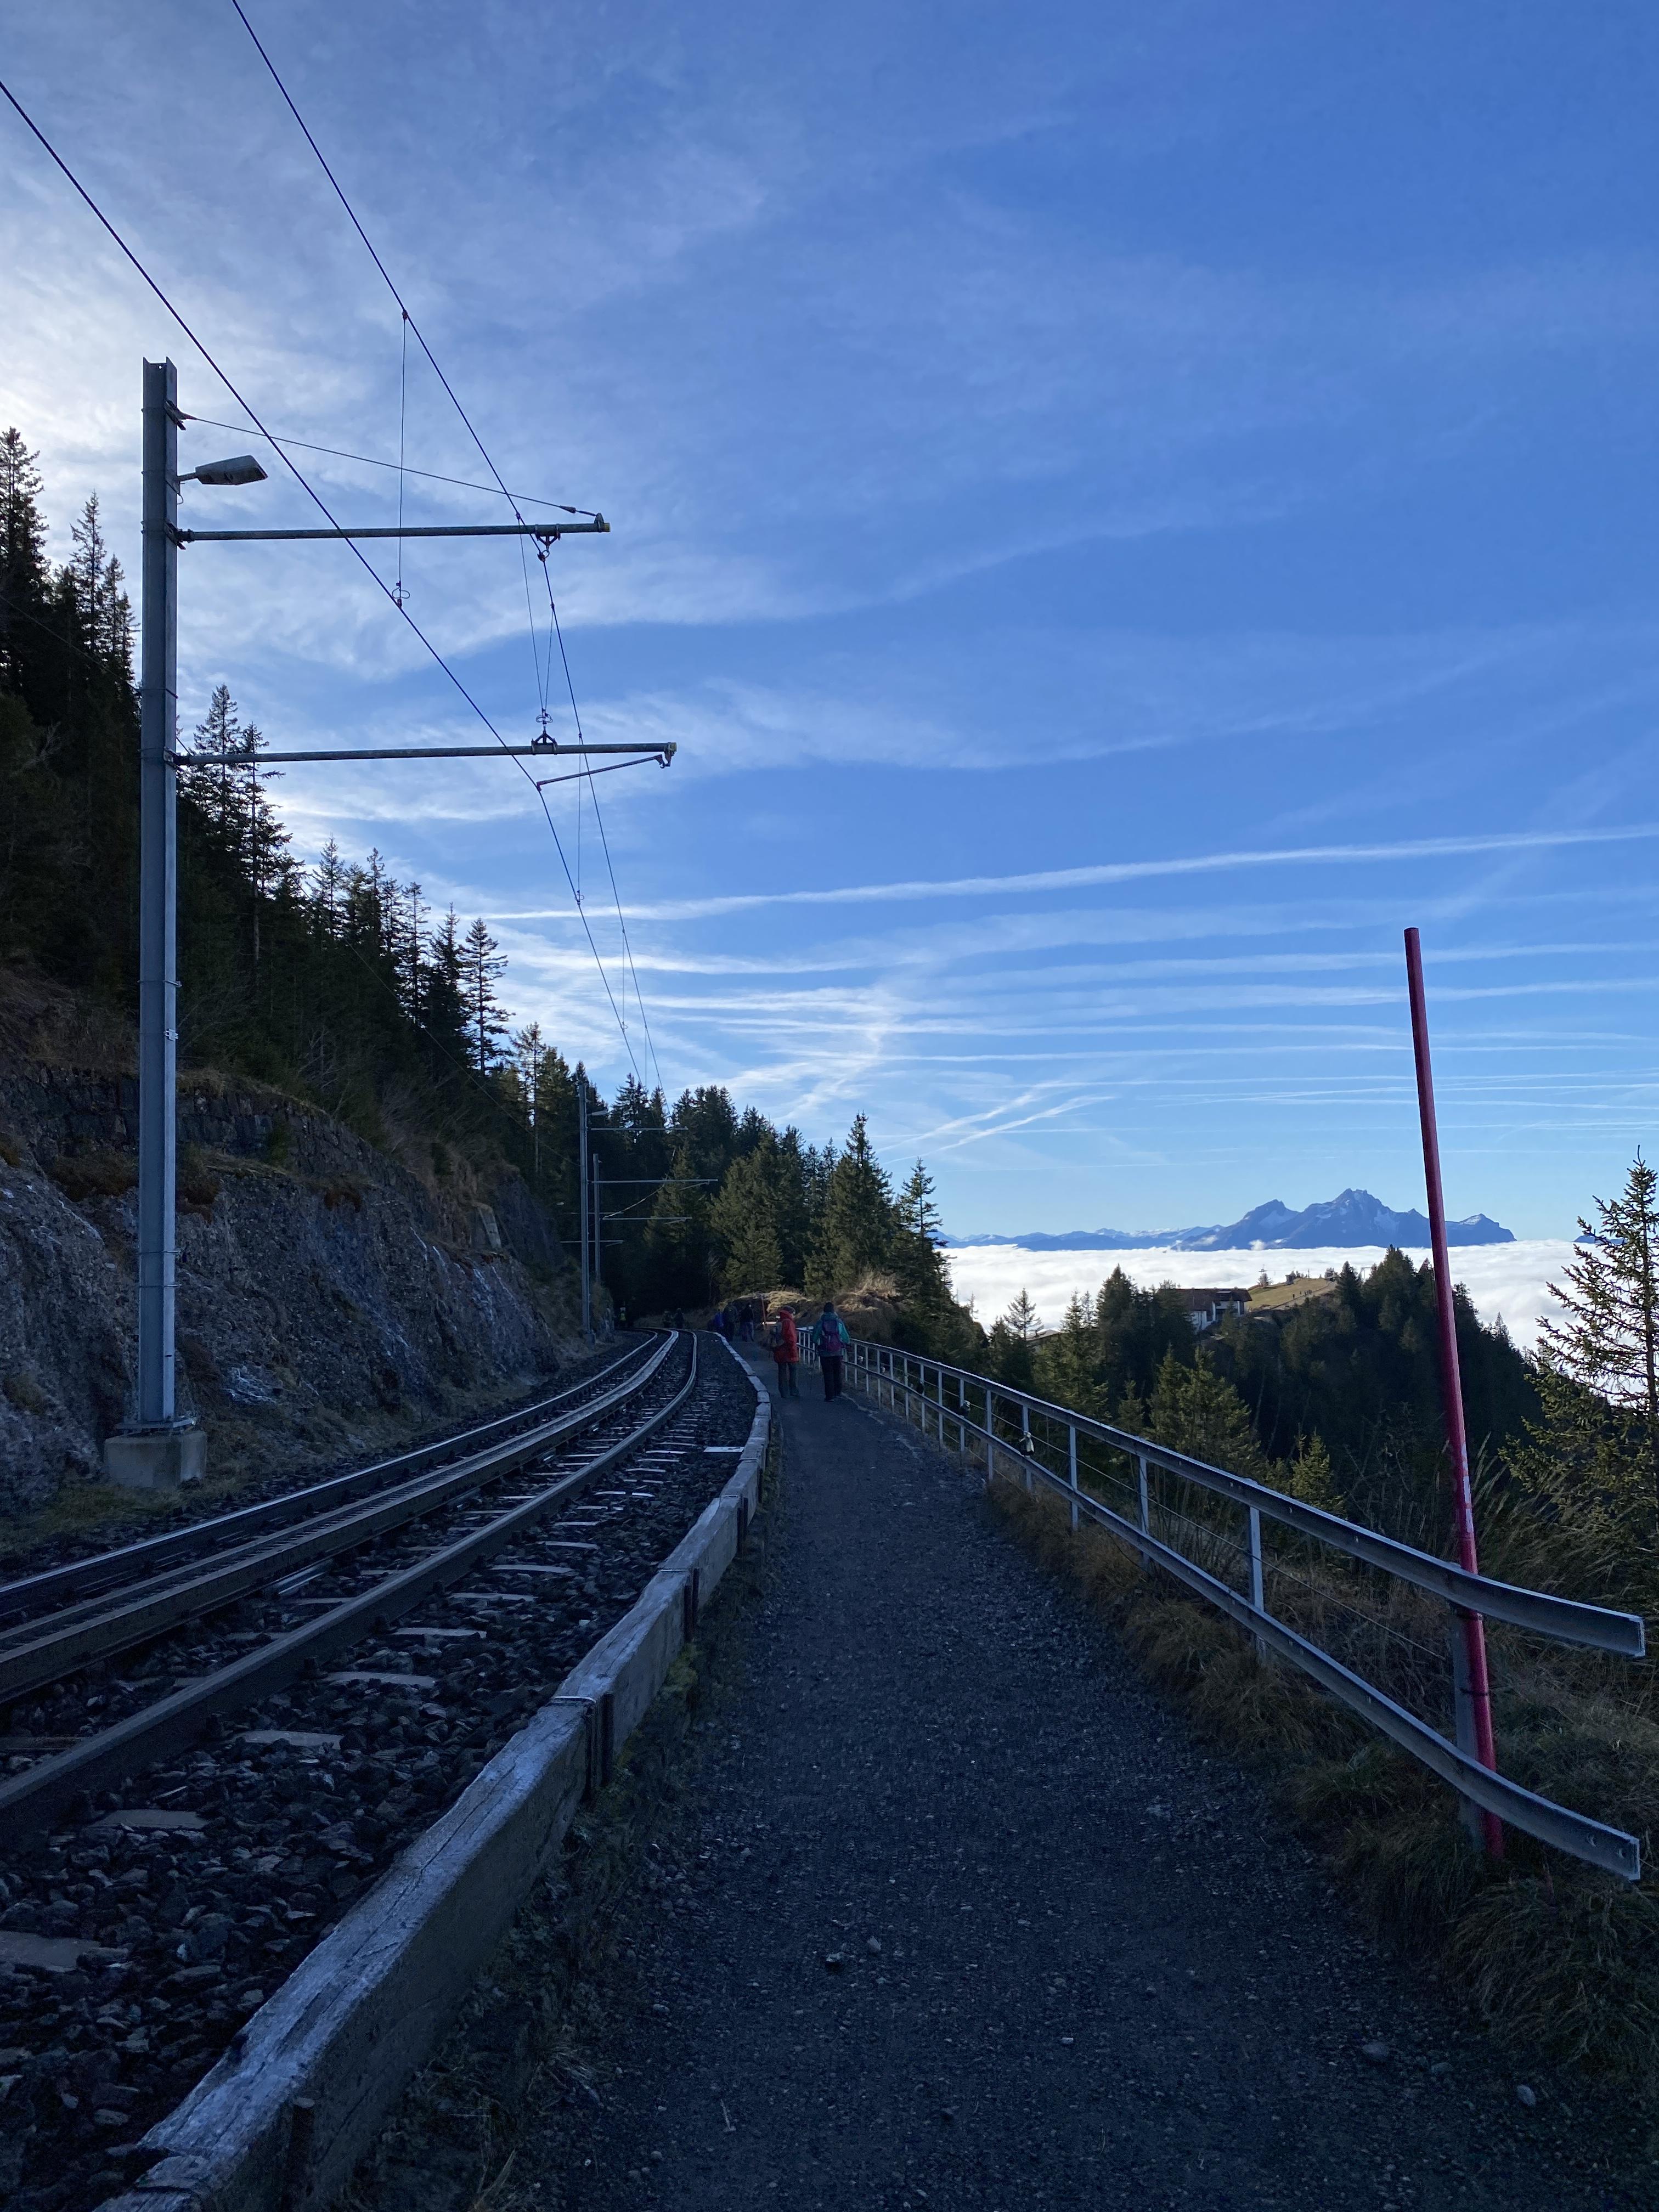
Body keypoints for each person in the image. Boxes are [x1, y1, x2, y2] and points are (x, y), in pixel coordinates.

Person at [815, 1300, 850, 1400]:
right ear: (833, 1311)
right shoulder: (838, 1322)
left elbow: (815, 1337)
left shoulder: (821, 1322)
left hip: (825, 1352)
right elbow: (845, 1336)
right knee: (837, 1372)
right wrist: (847, 1343)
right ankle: (838, 1393)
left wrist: (817, 1343)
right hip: (837, 1351)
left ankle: (829, 1396)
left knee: (827, 1373)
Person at [770, 1305, 799, 1398]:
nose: (794, 1316)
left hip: (779, 1350)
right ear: (790, 1313)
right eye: (794, 1314)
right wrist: (794, 1351)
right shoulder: (789, 1323)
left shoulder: (781, 1322)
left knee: (782, 1371)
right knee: (793, 1370)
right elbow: (791, 1339)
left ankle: (784, 1392)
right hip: (789, 1350)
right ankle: (793, 1390)